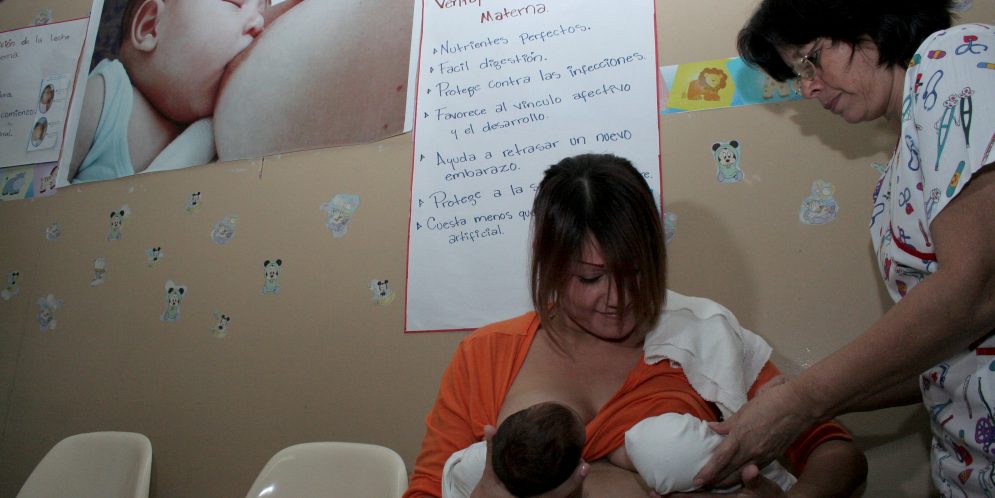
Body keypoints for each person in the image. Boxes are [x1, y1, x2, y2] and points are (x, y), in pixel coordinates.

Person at [404, 153, 867, 498]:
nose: (618, 297)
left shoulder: (703, 335)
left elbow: (835, 451)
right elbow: (425, 490)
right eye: (590, 278)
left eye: (636, 271)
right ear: (551, 267)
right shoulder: (487, 355)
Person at [694, 1, 995, 495]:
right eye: (798, 73)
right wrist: (797, 397)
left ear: (870, 24)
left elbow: (976, 288)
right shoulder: (895, 178)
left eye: (810, 60)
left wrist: (802, 401)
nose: (807, 87)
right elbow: (940, 354)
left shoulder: (954, 58)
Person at [66, 0, 301, 184]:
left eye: (262, 14)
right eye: (234, 3)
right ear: (150, 26)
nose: (259, 24)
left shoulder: (224, 135)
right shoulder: (103, 98)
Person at [442, 401, 798, 498]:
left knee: (667, 448)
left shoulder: (696, 333)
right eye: (589, 277)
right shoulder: (478, 469)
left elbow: (830, 449)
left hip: (744, 467)